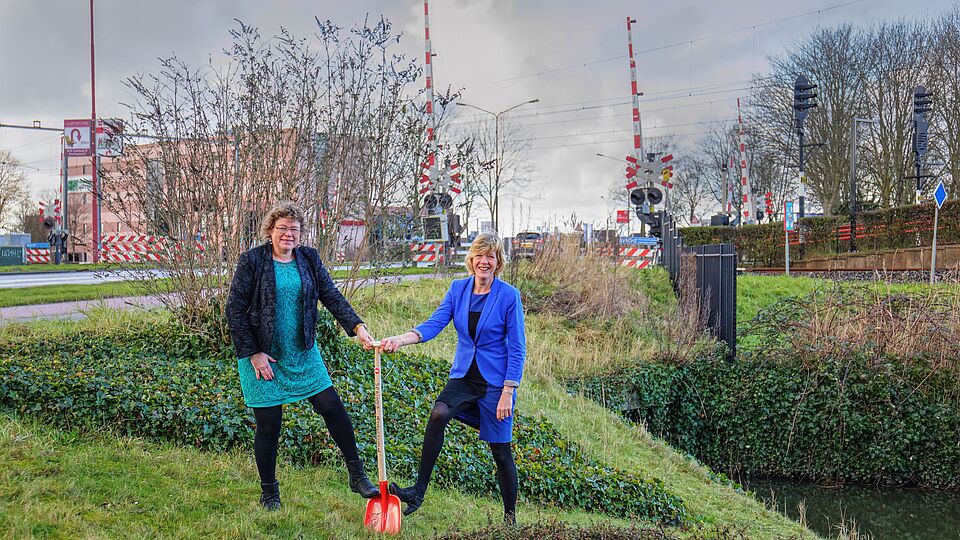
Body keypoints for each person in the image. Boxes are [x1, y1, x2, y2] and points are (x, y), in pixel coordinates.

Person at [226, 201, 379, 510]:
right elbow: (234, 309)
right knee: (269, 425)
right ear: (270, 231)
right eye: (282, 228)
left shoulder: (308, 259)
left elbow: (332, 296)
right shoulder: (252, 261)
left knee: (332, 407)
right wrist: (253, 353)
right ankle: (270, 493)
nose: (288, 234)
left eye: (294, 230)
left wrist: (357, 326)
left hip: (302, 351)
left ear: (301, 234)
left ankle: (357, 475)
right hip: (263, 355)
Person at [380, 232, 527, 524]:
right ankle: (418, 492)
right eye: (479, 256)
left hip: (495, 384)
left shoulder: (509, 296)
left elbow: (518, 346)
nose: (484, 261)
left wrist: (508, 391)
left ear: (498, 262)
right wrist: (401, 339)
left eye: (491, 256)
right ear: (471, 260)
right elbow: (434, 324)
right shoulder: (457, 289)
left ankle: (510, 519)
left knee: (500, 452)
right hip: (464, 376)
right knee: (438, 414)